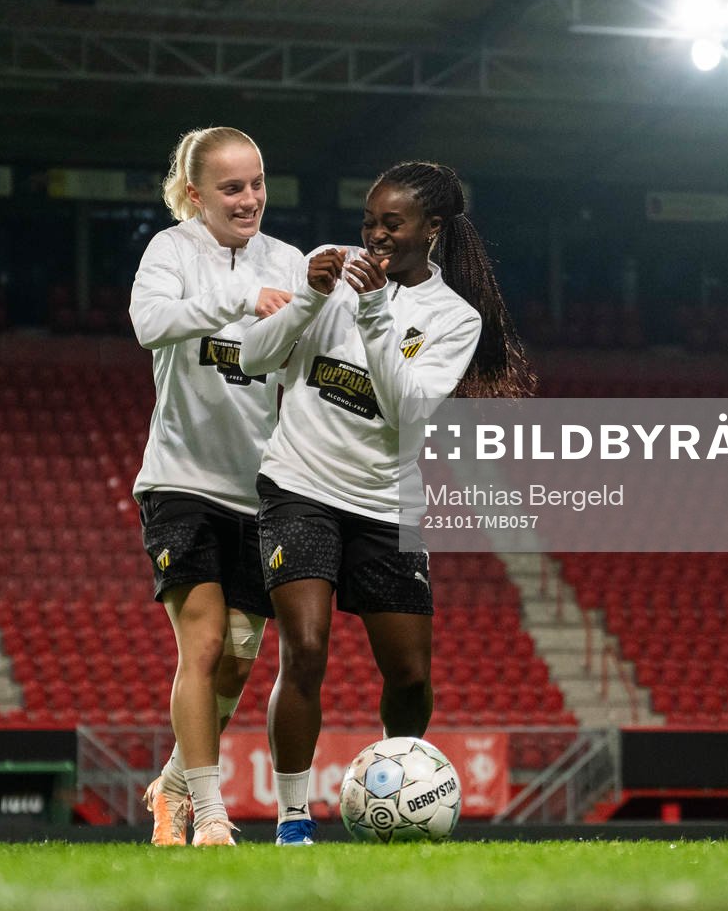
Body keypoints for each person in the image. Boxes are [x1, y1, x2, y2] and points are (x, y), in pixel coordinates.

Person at [238, 160, 536, 844]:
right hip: (299, 486)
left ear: (431, 229)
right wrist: (311, 300)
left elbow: (407, 410)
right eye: (369, 221)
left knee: (408, 676)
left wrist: (372, 311)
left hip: (384, 504)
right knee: (305, 648)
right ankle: (291, 820)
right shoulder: (328, 279)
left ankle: (398, 791)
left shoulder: (452, 318)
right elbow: (253, 360)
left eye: (391, 224)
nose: (374, 236)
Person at [130, 126, 303, 847]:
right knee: (200, 646)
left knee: (237, 657)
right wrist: (239, 296)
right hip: (179, 481)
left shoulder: (291, 262)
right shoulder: (172, 252)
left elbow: (306, 367)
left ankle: (171, 782)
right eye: (232, 188)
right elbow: (149, 323)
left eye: (257, 183)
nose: (250, 199)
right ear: (196, 194)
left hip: (260, 490)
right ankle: (209, 813)